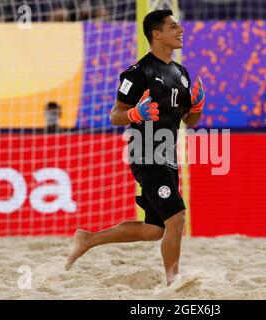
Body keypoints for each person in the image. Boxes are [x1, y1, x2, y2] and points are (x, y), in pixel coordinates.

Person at [65, 9, 205, 286]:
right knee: (176, 218)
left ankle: (88, 239)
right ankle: (172, 281)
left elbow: (189, 120)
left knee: (155, 229)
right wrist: (135, 115)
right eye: (173, 26)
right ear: (157, 34)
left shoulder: (182, 73)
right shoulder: (139, 72)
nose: (181, 30)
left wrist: (198, 107)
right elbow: (115, 115)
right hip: (145, 152)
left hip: (167, 154)